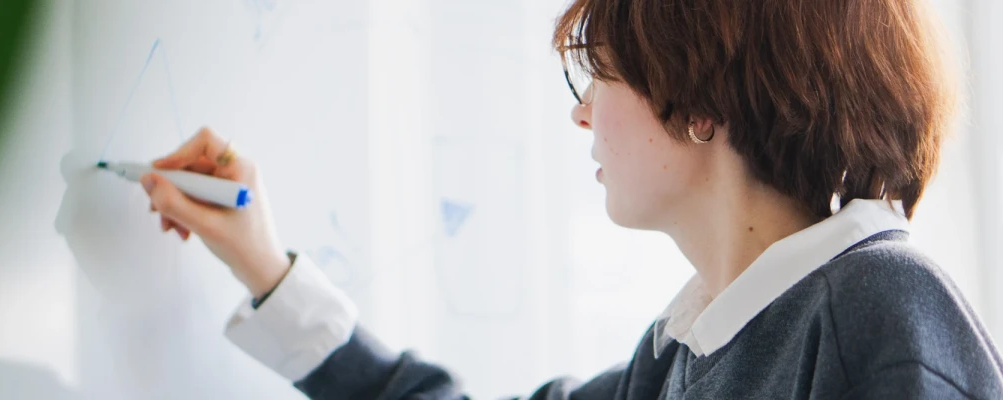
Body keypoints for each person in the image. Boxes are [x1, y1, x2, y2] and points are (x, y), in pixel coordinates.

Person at [138, 0, 1003, 398]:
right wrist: (264, 266)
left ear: (700, 103)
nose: (581, 110)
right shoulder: (678, 358)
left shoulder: (881, 308)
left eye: (601, 73)